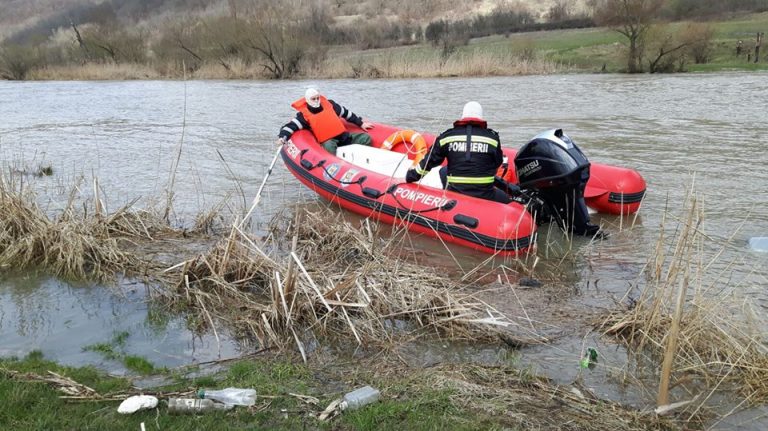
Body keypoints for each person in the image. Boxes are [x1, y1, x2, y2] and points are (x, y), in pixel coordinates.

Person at [405, 101, 509, 204]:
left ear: (462, 117)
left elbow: (429, 161)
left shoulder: (447, 137)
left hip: (456, 191)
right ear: (481, 118)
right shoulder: (492, 138)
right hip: (485, 193)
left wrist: (411, 176)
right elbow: (497, 163)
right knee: (507, 199)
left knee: (443, 171)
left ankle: (449, 199)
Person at [276, 87, 374, 154]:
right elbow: (290, 127)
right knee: (330, 147)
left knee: (366, 138)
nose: (316, 100)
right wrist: (282, 137)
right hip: (328, 141)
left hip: (343, 137)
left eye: (318, 98)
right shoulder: (303, 116)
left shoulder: (330, 105)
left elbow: (346, 114)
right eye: (313, 99)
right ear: (307, 100)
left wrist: (361, 123)